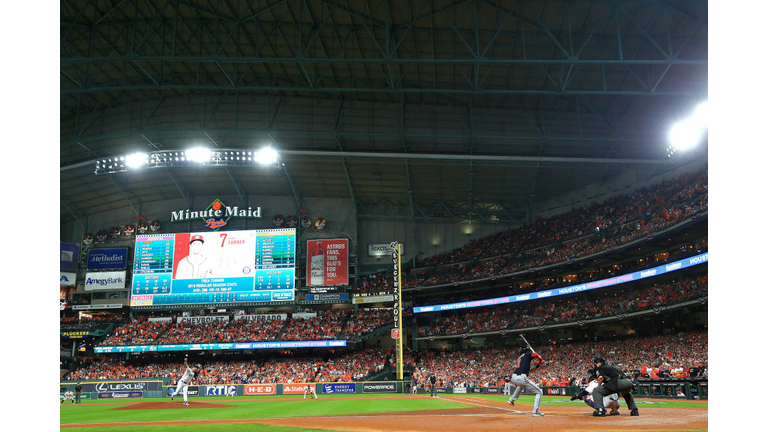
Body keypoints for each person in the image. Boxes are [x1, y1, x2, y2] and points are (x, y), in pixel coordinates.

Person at [507, 346, 545, 417]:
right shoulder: (527, 355)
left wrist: (539, 364)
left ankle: (512, 400)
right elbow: (535, 355)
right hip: (521, 377)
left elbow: (530, 371)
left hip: (514, 377)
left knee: (521, 386)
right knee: (539, 392)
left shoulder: (520, 358)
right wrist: (540, 358)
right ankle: (536, 412)